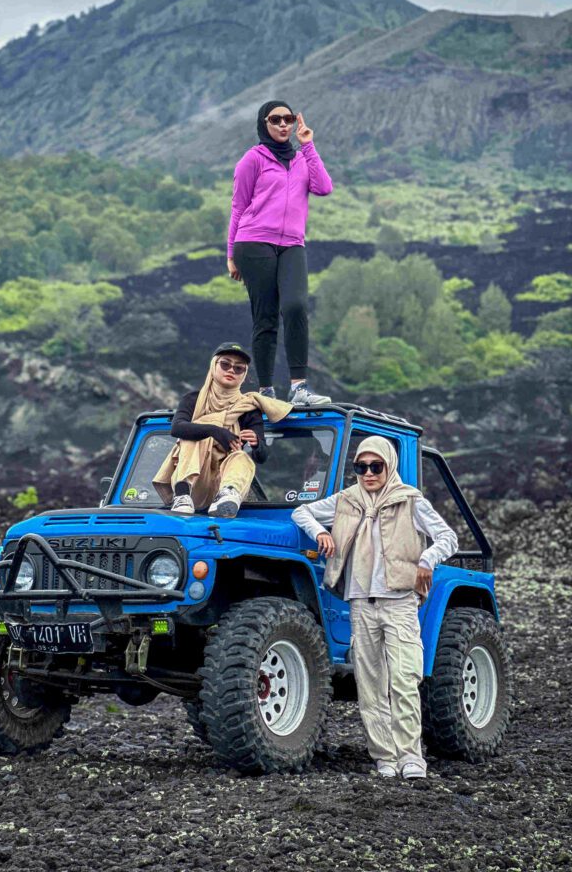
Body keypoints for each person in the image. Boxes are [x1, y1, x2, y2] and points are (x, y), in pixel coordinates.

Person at [292, 435, 458, 779]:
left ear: (389, 466)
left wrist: (427, 559)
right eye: (361, 467)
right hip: (360, 605)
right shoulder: (346, 501)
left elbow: (448, 537)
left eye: (375, 466)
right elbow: (300, 510)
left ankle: (411, 756)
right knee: (369, 684)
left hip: (399, 602)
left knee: (404, 679)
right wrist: (320, 533)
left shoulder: (410, 501)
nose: (368, 473)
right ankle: (384, 757)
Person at [227, 100, 333, 406]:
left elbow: (324, 187)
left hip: (292, 244)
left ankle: (299, 387)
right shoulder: (252, 159)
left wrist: (309, 146)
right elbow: (238, 207)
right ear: (264, 123)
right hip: (254, 243)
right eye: (276, 120)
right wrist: (231, 254)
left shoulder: (302, 159)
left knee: (296, 306)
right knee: (266, 318)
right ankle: (266, 391)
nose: (283, 124)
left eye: (288, 119)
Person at [153, 342, 292, 518]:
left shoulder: (248, 407)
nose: (231, 370)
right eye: (225, 364)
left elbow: (262, 456)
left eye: (239, 368)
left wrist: (256, 443)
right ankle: (182, 495)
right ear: (214, 365)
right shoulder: (192, 400)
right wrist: (215, 430)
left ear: (244, 374)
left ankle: (227, 494)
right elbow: (177, 428)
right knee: (191, 435)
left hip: (222, 486)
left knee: (241, 456)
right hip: (191, 485)